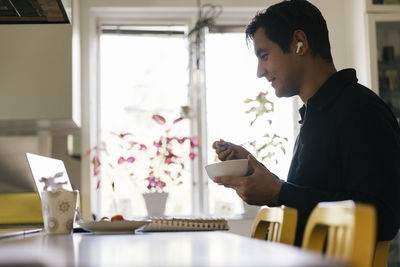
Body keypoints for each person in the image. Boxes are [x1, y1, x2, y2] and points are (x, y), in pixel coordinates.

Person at [212, 0, 400, 246]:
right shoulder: (317, 112)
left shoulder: (360, 109)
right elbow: (314, 196)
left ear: (299, 43)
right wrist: (260, 174)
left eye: (265, 55)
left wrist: (278, 192)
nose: (260, 71)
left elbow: (382, 217)